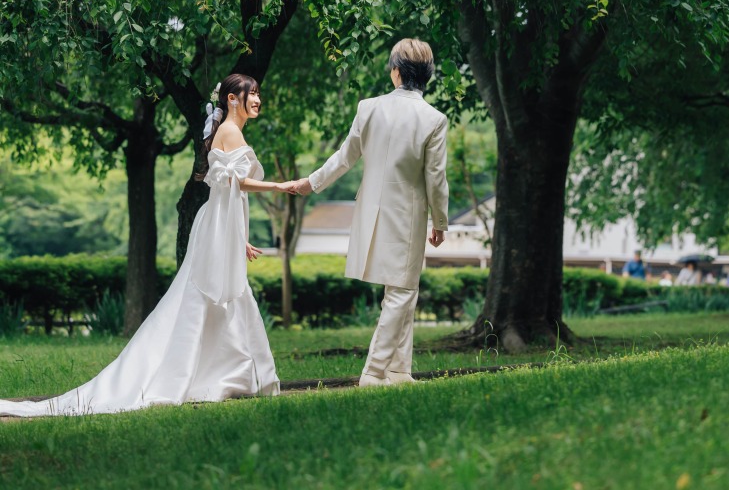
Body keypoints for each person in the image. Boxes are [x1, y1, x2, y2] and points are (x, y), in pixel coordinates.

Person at [0, 74, 282, 419]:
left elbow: (226, 194)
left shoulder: (227, 131)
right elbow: (239, 183)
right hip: (215, 228)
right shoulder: (231, 132)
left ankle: (227, 376)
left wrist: (240, 237)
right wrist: (284, 186)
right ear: (232, 99)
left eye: (257, 93)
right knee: (209, 298)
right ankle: (219, 376)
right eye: (251, 93)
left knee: (220, 298)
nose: (257, 99)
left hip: (217, 226)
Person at [284, 38, 449, 387]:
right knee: (402, 291)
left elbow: (345, 158)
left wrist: (310, 183)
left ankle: (398, 369)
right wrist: (440, 221)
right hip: (409, 213)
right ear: (426, 75)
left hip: (370, 208)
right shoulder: (434, 119)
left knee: (403, 290)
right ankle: (374, 371)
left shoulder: (368, 107)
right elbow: (435, 178)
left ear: (396, 72)